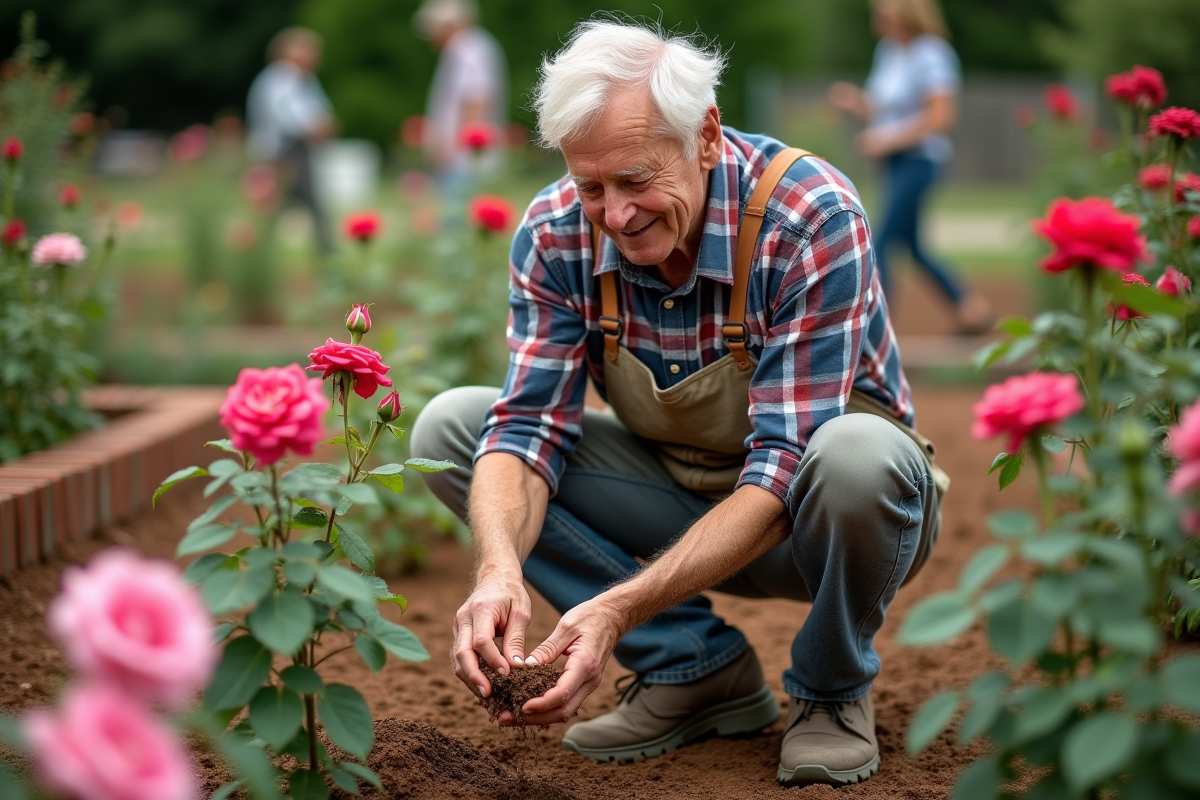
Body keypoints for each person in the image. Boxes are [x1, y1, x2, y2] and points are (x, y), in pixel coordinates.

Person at [410, 19, 946, 789]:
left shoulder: (808, 216)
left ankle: (831, 690)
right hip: (676, 497)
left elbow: (787, 463)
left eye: (635, 180)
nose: (615, 214)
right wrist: (498, 570)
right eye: (590, 186)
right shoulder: (558, 233)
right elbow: (527, 428)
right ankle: (696, 669)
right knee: (456, 429)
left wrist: (616, 608)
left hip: (827, 523)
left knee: (855, 456)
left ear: (704, 135)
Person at [827, 0, 991, 335]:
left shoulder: (932, 54)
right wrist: (855, 102)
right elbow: (882, 107)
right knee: (913, 247)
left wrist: (887, 140)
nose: (879, 22)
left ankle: (875, 332)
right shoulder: (889, 51)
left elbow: (941, 118)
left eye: (885, 15)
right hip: (895, 163)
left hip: (920, 162)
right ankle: (970, 308)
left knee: (881, 240)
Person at [246, 27, 337, 255]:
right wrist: (318, 127)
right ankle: (329, 255)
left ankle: (255, 254)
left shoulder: (299, 78)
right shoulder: (283, 76)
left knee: (276, 207)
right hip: (285, 151)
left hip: (288, 149)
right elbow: (293, 118)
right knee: (300, 205)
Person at [414, 0, 507, 190]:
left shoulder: (467, 50)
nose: (432, 39)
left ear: (450, 25)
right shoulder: (472, 46)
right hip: (464, 161)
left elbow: (475, 101)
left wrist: (447, 150)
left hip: (464, 164)